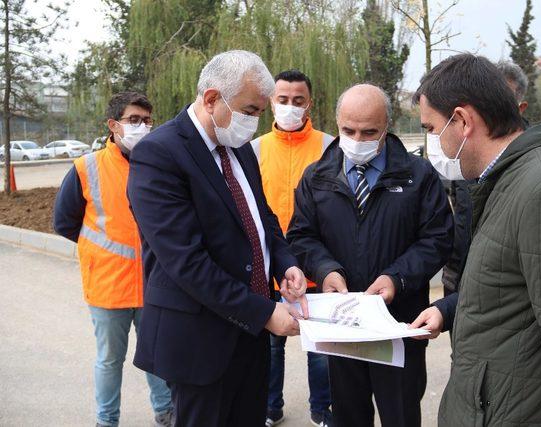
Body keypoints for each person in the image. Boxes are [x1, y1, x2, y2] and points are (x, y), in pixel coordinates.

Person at [410, 53, 541, 426]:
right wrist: (448, 312)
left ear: (462, 121)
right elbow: (506, 291)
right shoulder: (510, 180)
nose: (432, 144)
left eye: (431, 129)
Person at [126, 50, 309, 427]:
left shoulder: (238, 149)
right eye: (250, 111)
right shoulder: (158, 154)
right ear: (211, 99)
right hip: (199, 340)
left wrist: (286, 262)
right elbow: (186, 262)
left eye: (260, 111)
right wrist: (263, 312)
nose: (255, 123)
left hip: (250, 333)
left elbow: (262, 220)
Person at [287, 83, 453, 427]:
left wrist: (397, 277)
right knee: (348, 416)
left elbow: (437, 239)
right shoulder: (316, 177)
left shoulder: (417, 176)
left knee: (401, 414)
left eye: (369, 131)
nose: (357, 139)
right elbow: (302, 236)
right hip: (341, 327)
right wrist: (326, 269)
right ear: (336, 123)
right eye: (348, 130)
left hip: (398, 325)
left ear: (387, 127)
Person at [53, 92, 173, 427]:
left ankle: (165, 411)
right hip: (108, 287)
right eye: (134, 120)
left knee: (157, 357)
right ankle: (107, 421)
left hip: (153, 283)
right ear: (113, 125)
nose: (143, 127)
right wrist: (100, 253)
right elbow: (64, 222)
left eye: (147, 120)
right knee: (109, 361)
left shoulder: (158, 164)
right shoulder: (86, 167)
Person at [251, 69, 333, 427]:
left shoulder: (330, 147)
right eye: (282, 100)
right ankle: (270, 407)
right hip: (269, 267)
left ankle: (323, 410)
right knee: (271, 345)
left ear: (309, 102)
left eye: (297, 101)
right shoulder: (251, 150)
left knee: (321, 350)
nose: (289, 106)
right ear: (271, 102)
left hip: (316, 265)